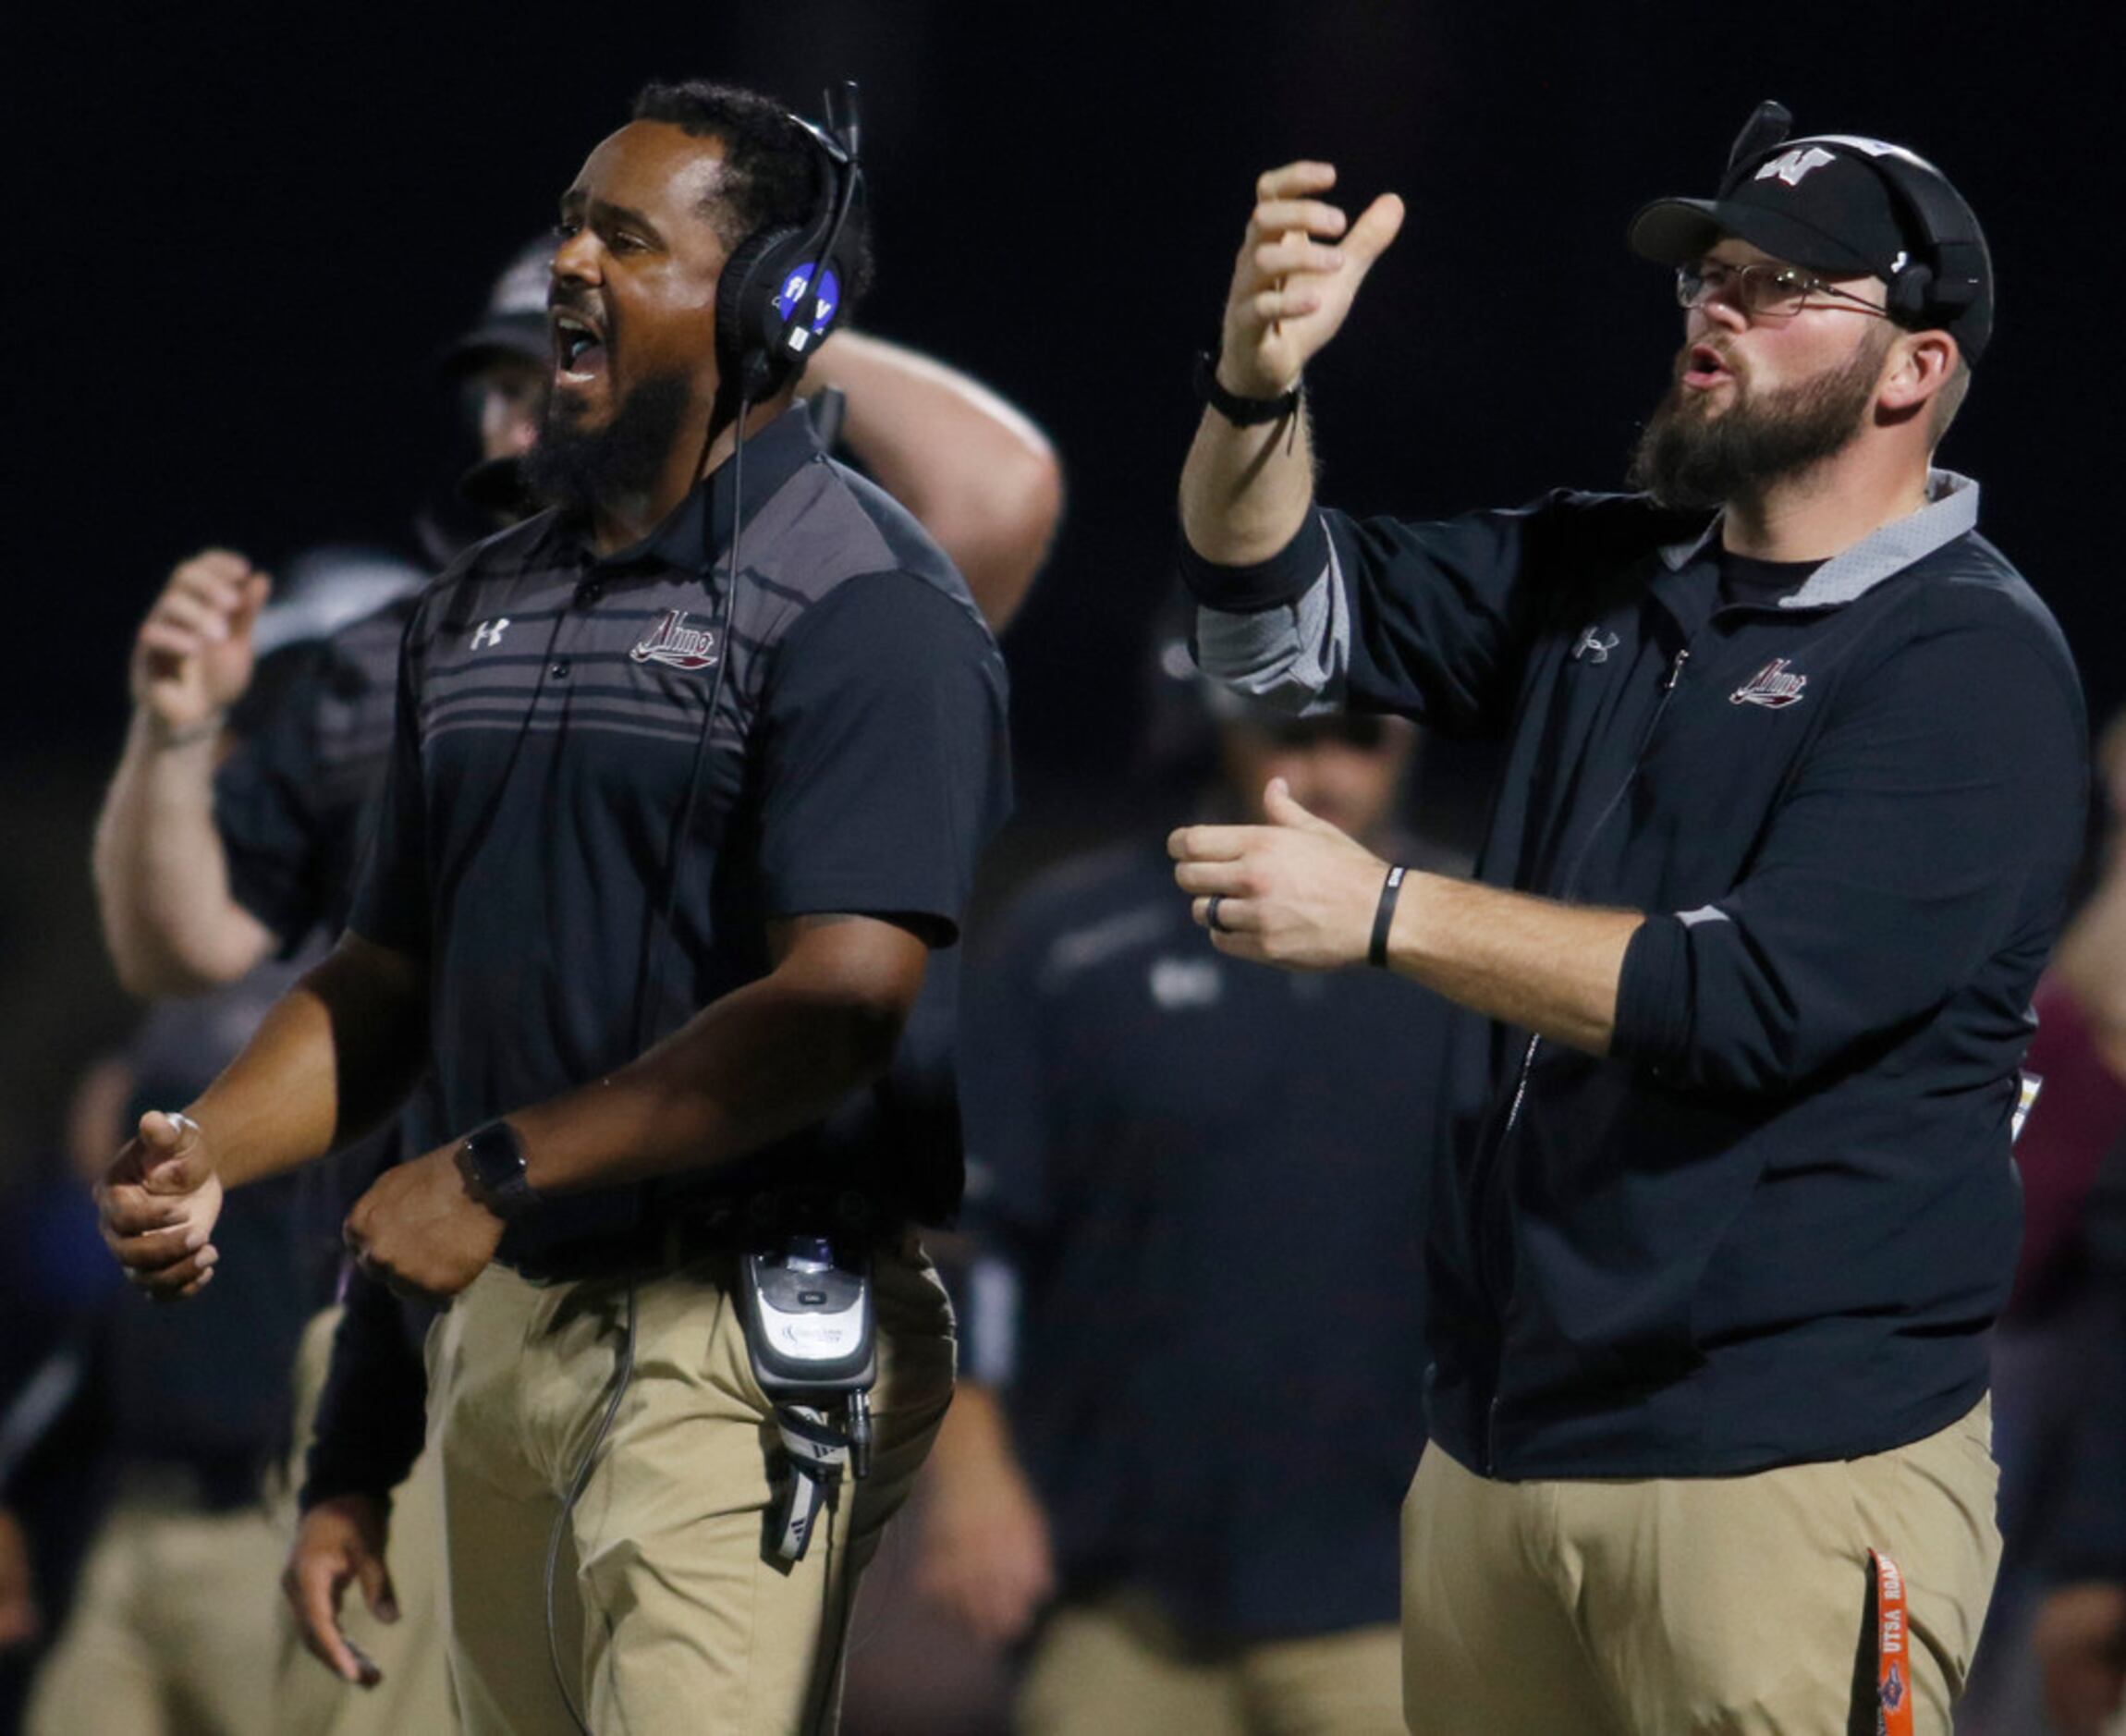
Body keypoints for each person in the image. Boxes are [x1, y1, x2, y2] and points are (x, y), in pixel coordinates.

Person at [95, 78, 1011, 1736]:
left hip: (735, 1325)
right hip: (499, 1315)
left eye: (625, 237)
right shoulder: (474, 608)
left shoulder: (872, 604)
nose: (566, 265)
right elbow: (393, 980)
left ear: (768, 305)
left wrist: (495, 1170)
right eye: (571, 221)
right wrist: (213, 1150)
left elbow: (842, 1005)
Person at [1167, 102, 2086, 1732]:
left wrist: (1383, 910)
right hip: (1505, 1441)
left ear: (1913, 370)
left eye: (1783, 285)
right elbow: (1270, 622)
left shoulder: (1971, 660)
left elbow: (1747, 994)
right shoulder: (1616, 568)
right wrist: (1257, 386)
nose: (1720, 307)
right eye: (1711, 275)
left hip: (1788, 1467)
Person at [917, 671, 1444, 1734]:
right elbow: (986, 1237)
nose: (1327, 772)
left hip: (1400, 1599)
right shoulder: (1073, 945)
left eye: (1361, 739)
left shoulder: (1477, 954)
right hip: (1121, 1596)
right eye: (1292, 734)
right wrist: (970, 1475)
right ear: (1226, 728)